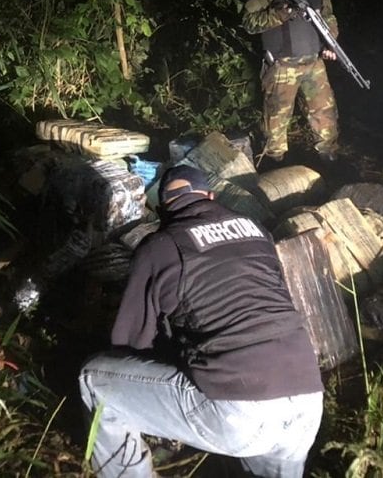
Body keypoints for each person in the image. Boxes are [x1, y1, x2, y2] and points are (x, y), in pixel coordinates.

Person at [78, 165, 324, 478]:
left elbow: (130, 343)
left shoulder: (160, 246)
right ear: (209, 196)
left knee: (94, 380)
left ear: (163, 206)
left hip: (241, 410)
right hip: (307, 400)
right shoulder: (256, 230)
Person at [242, 0, 340, 164]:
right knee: (275, 127)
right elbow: (248, 22)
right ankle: (274, 167)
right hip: (281, 66)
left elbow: (328, 17)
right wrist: (279, 14)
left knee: (325, 117)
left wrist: (330, 43)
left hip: (314, 63)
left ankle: (330, 162)